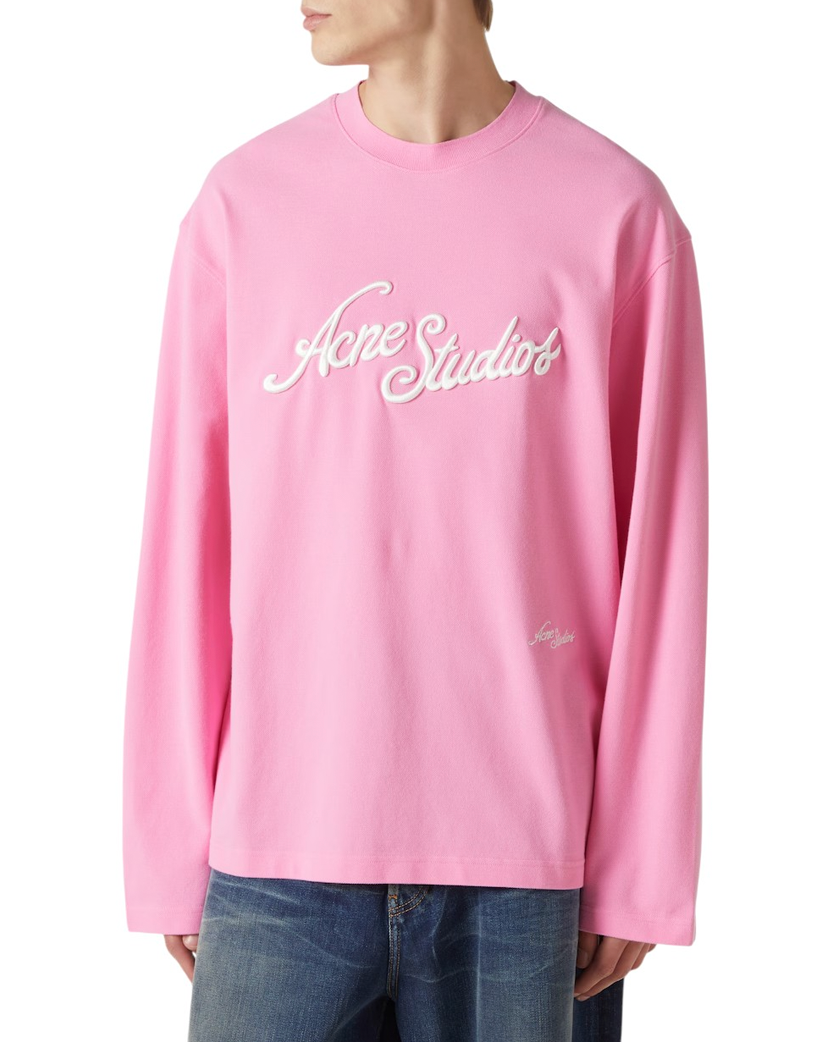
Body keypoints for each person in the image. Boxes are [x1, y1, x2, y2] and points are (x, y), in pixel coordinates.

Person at [121, 1, 708, 1039]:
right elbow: (185, 537)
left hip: (530, 862)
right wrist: (169, 843)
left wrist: (642, 864)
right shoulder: (245, 206)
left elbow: (660, 555)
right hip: (278, 849)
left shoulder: (615, 212)